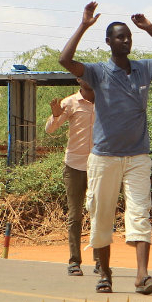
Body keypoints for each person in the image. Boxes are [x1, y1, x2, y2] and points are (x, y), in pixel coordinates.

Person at [59, 2, 152, 294]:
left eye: (129, 37)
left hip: (138, 156)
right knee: (101, 215)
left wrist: (149, 28)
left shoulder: (143, 68)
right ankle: (106, 273)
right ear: (108, 42)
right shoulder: (97, 72)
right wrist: (84, 25)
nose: (126, 40)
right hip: (104, 157)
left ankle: (142, 276)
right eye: (120, 37)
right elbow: (65, 60)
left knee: (140, 214)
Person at [43, 78, 95, 276]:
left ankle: (100, 261)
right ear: (79, 79)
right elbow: (50, 129)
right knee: (75, 216)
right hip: (74, 166)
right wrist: (55, 116)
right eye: (85, 75)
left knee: (99, 214)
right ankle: (74, 261)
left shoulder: (105, 101)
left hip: (98, 166)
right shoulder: (70, 102)